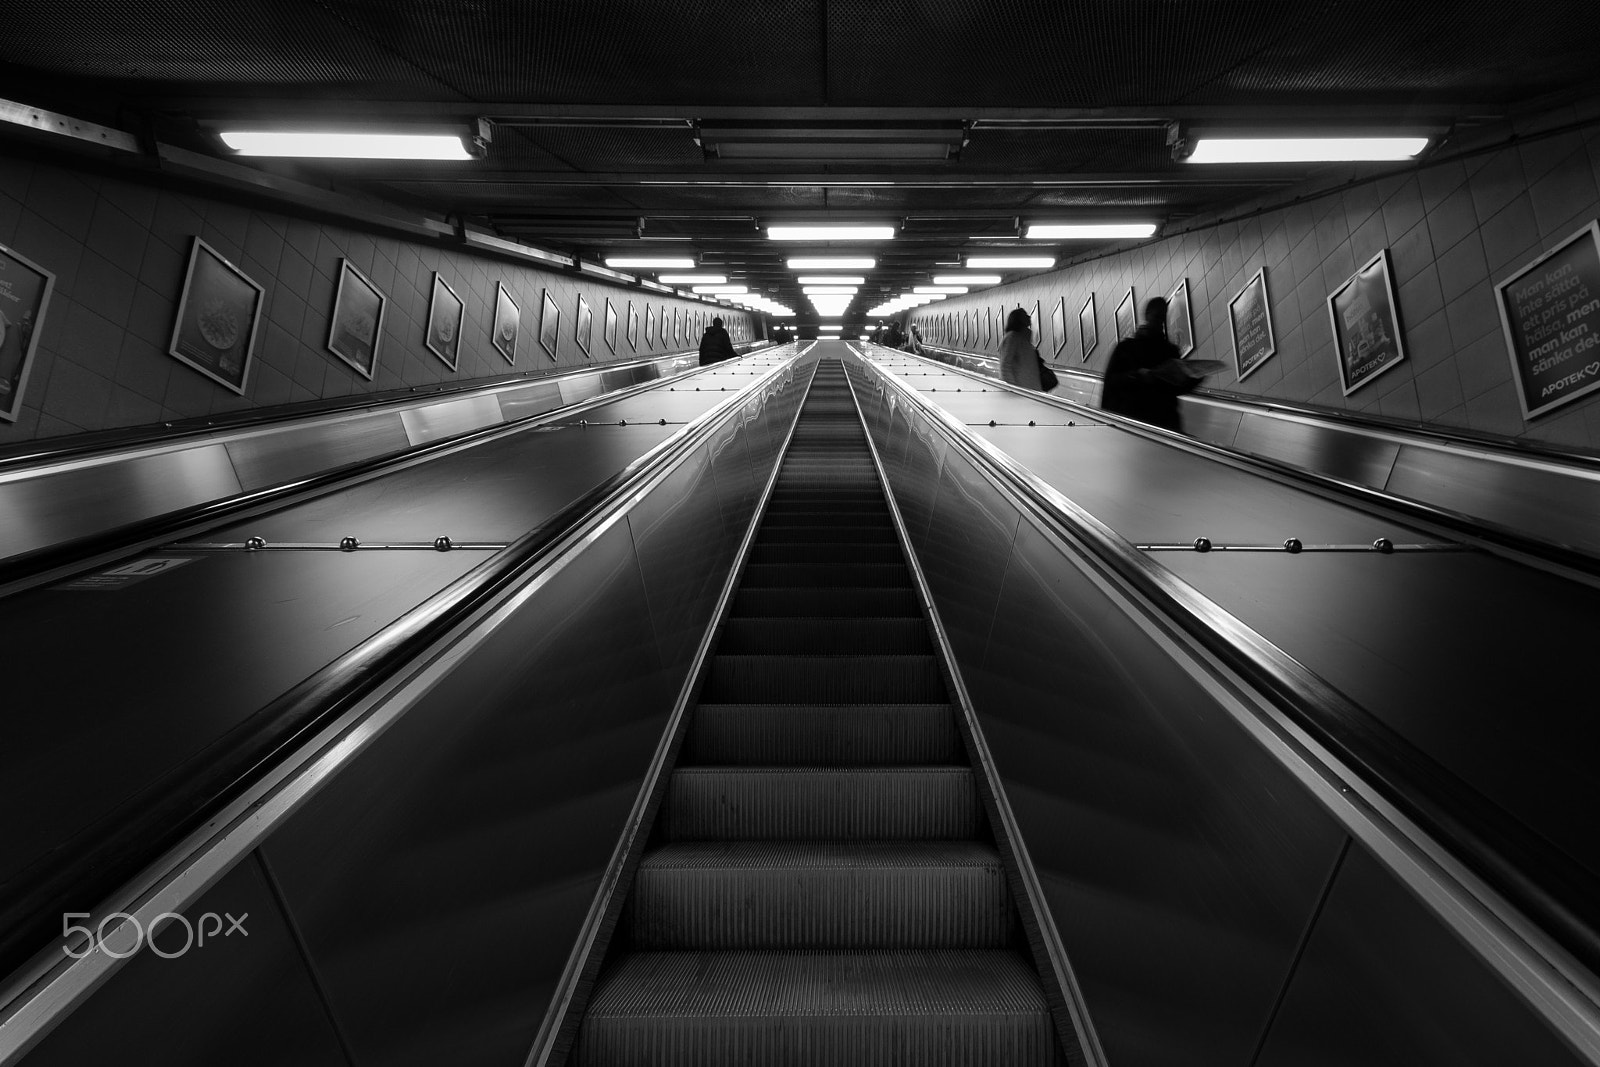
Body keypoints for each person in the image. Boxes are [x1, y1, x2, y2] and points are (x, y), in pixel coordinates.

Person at [1100, 297, 1197, 432]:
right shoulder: (1126, 348)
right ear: (1147, 315)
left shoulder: (1170, 351)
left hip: (1161, 424)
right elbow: (1111, 382)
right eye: (1157, 316)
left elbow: (1177, 388)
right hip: (1139, 423)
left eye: (1162, 317)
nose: (1160, 322)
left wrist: (1193, 378)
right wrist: (1136, 376)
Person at [998, 307, 1044, 390]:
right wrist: (1013, 389)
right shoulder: (1011, 337)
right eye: (1025, 315)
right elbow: (1005, 365)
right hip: (1020, 391)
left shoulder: (1024, 338)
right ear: (1018, 320)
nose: (1029, 316)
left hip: (1031, 388)